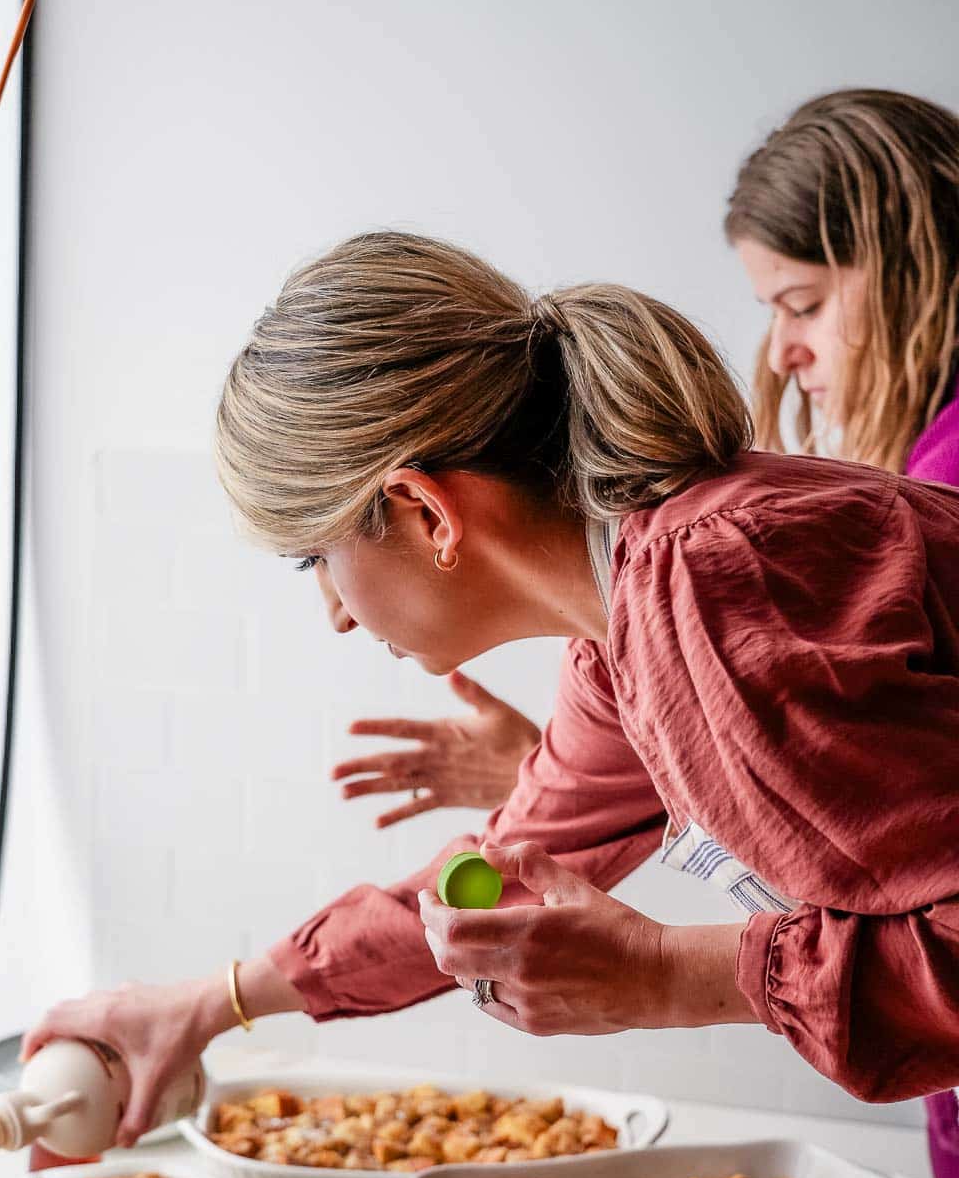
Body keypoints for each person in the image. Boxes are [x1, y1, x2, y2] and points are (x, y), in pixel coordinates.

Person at [25, 226, 959, 1153]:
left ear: (425, 510)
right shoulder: (623, 636)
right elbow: (487, 878)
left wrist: (667, 976)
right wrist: (206, 1007)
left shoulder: (720, 582)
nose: (337, 616)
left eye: (319, 558)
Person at [331, 88, 959, 838]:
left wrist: (649, 954)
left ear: (916, 275)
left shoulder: (707, 564)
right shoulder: (636, 612)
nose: (785, 354)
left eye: (804, 303)